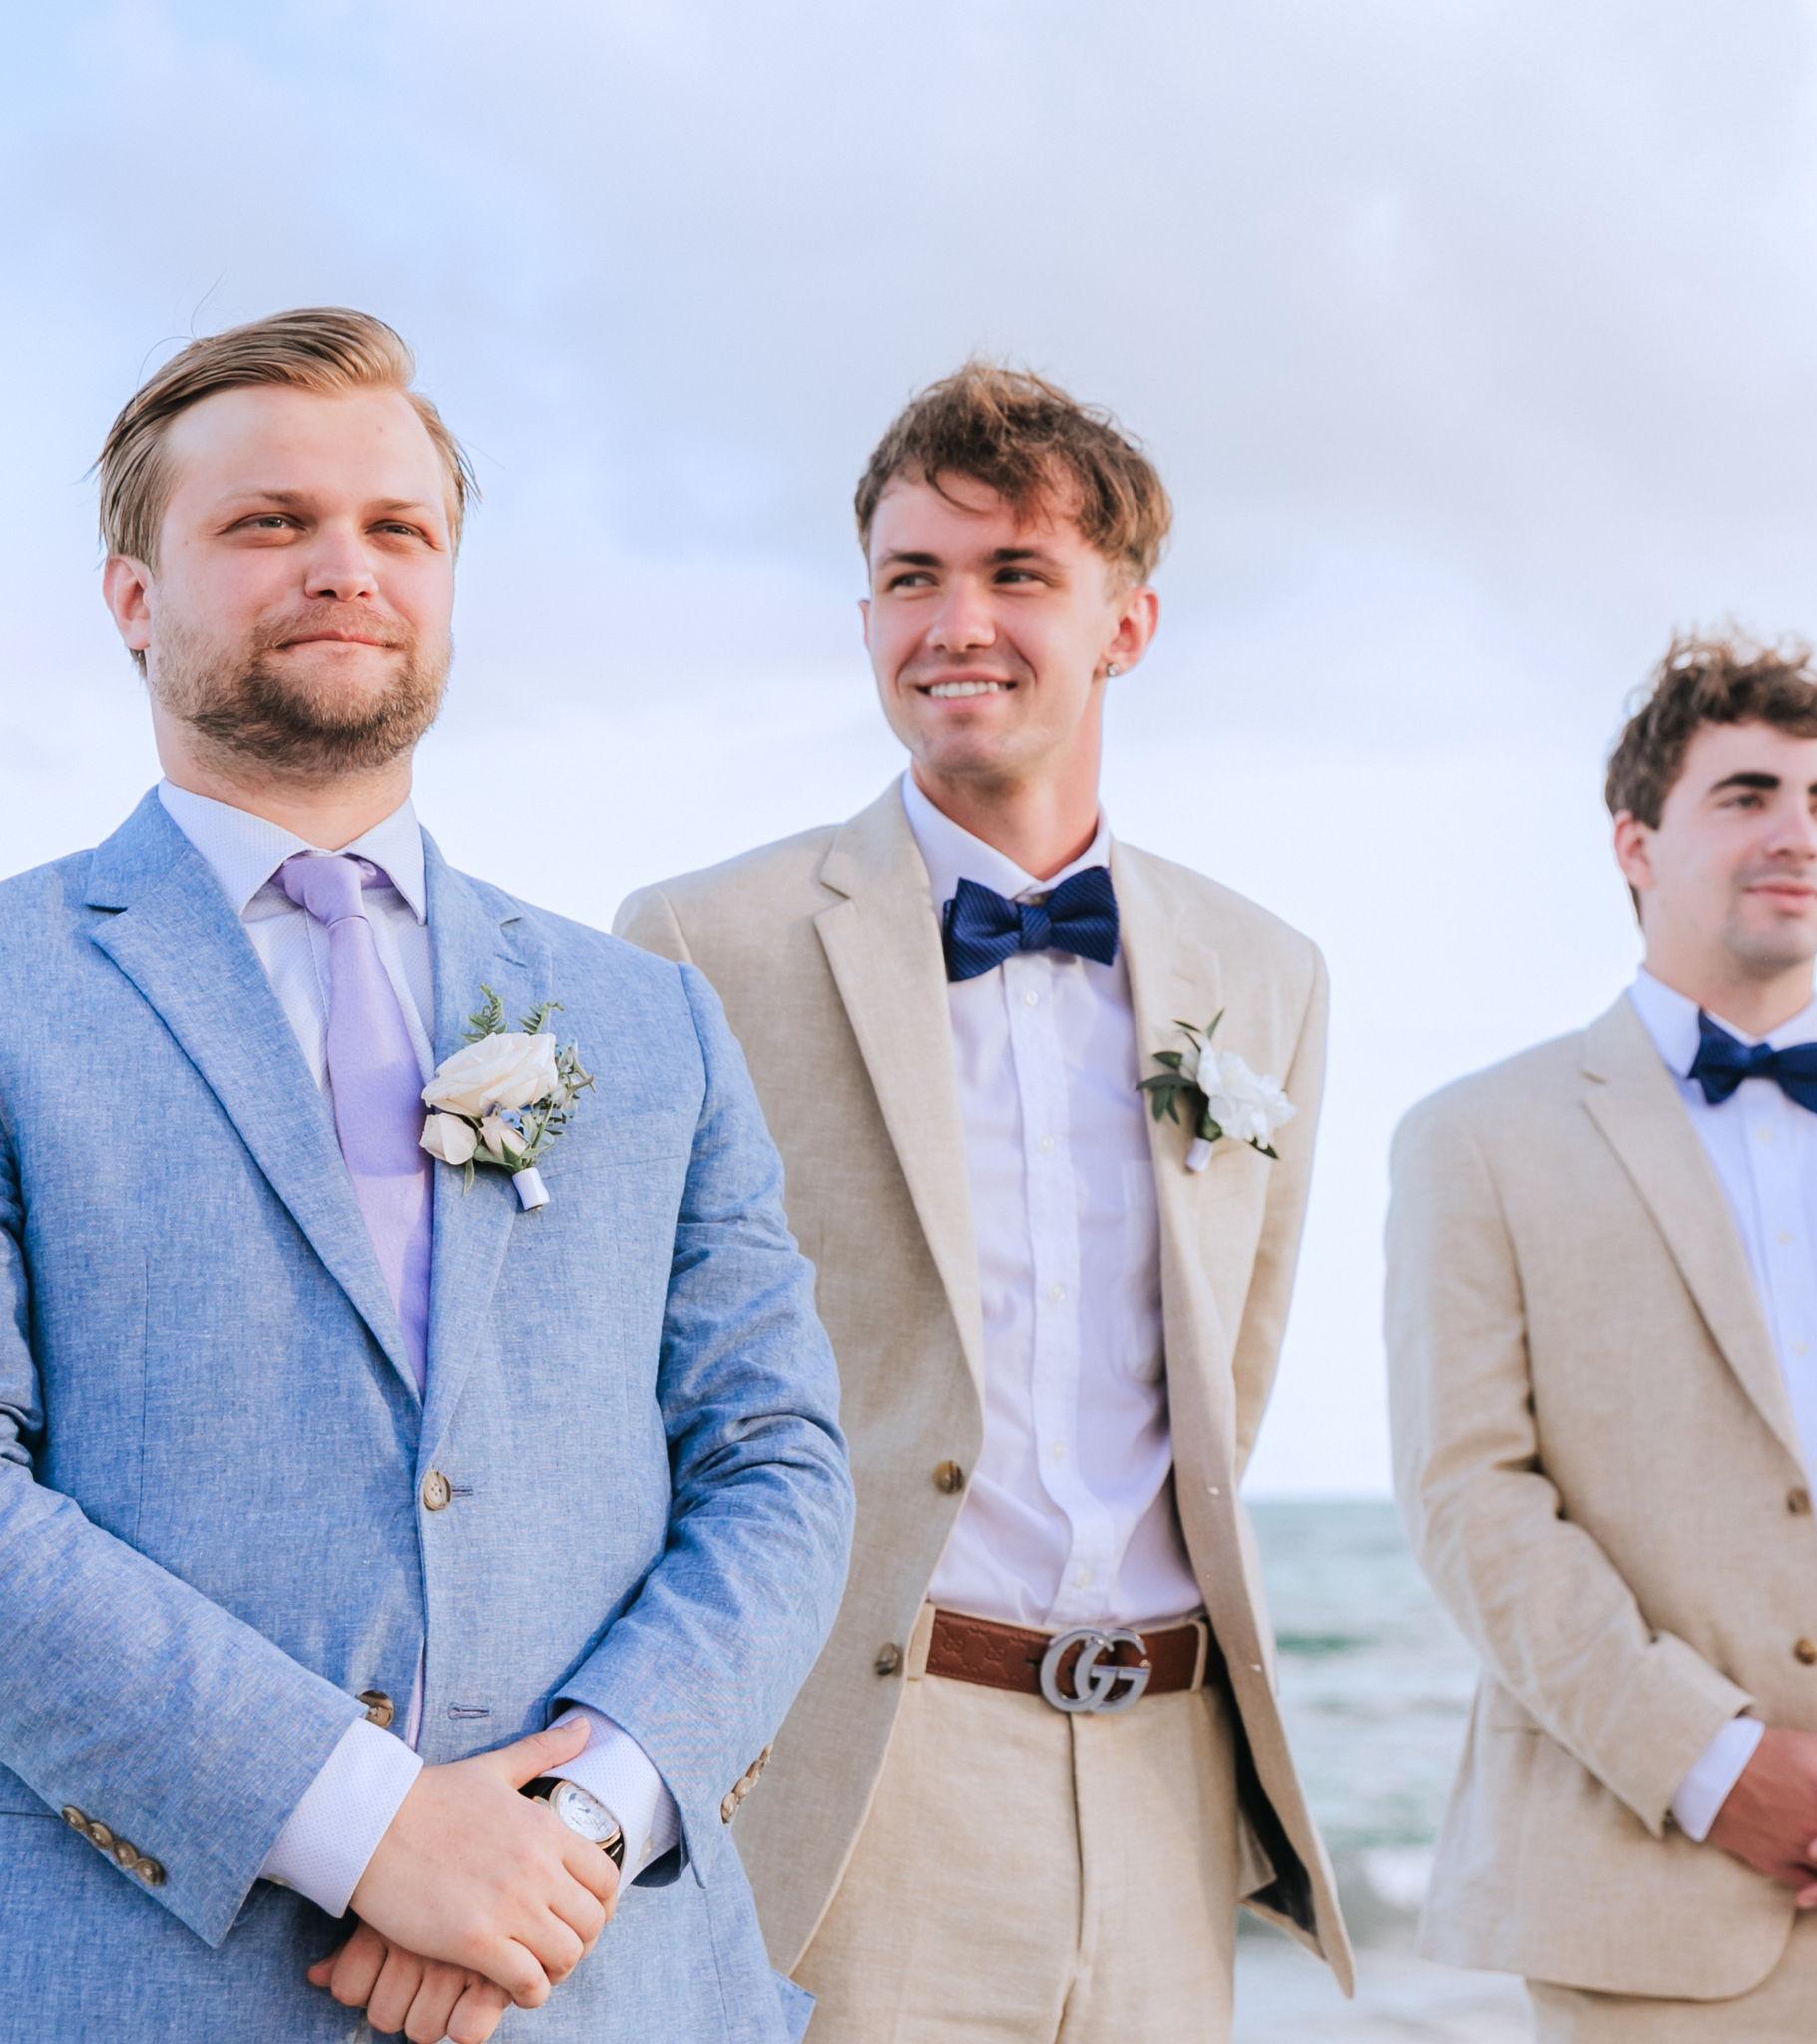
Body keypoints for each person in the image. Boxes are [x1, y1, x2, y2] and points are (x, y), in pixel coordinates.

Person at [0, 307, 852, 2044]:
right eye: (266, 523)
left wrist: (583, 1816)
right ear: (130, 595)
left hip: (609, 1988)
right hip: (140, 1984)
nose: (344, 568)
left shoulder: (649, 1018)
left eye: (398, 529)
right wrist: (370, 1826)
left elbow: (778, 1457)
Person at [616, 362, 1353, 2040]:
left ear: (1128, 625)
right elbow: (627, 1401)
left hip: (1170, 1778)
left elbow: (1232, 1370)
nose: (958, 622)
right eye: (911, 578)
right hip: (862, 1772)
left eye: (1018, 573)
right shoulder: (694, 942)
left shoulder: (1268, 972)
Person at [1386, 632, 1817, 2041]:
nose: (1797, 834)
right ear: (1636, 842)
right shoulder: (1479, 1142)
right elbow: (1468, 1497)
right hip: (1650, 1914)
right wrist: (1710, 1763)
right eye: (1746, 796)